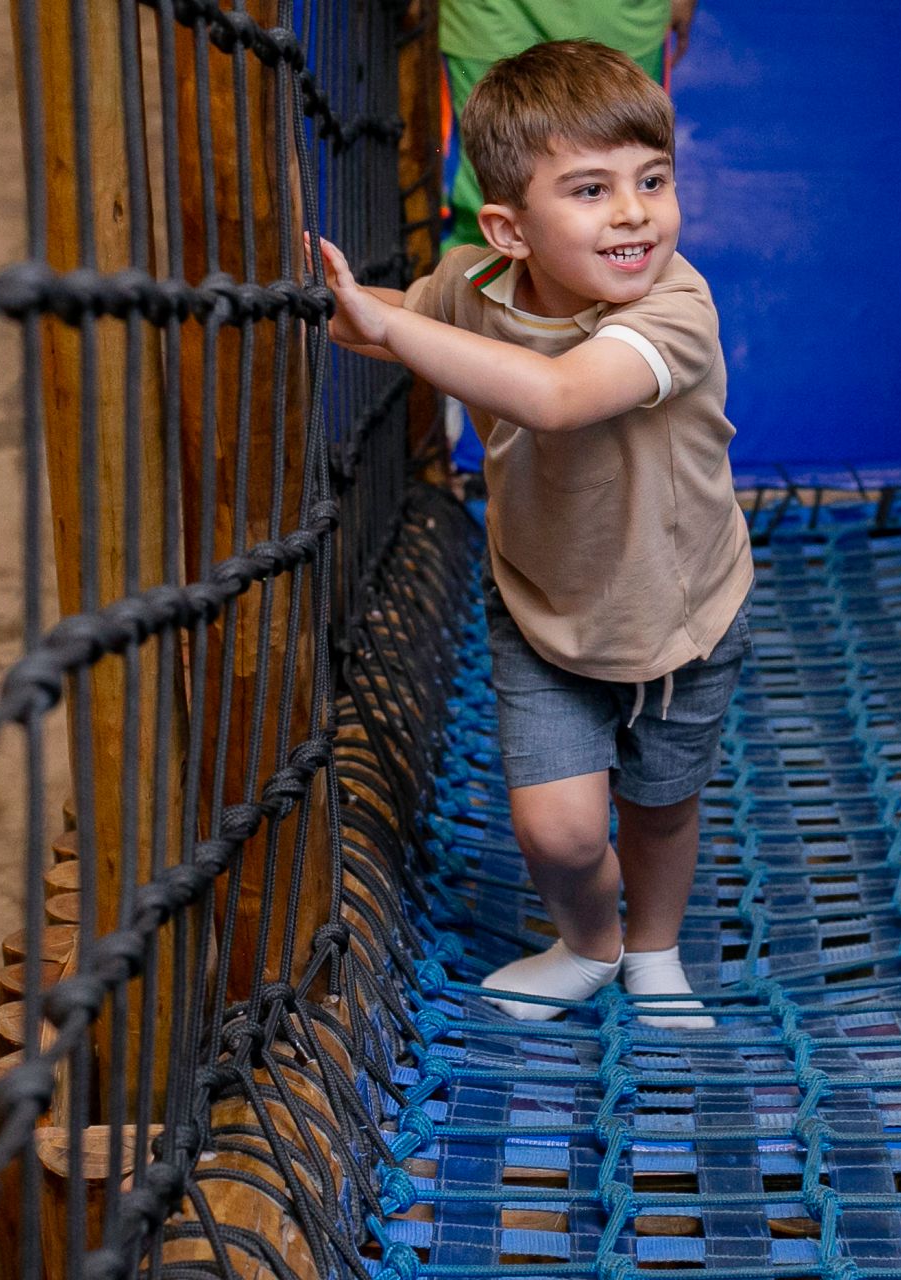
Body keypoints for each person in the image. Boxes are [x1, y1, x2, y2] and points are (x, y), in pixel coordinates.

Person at [308, 39, 750, 1029]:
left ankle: (655, 949)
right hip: (543, 605)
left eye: (653, 180)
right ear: (508, 230)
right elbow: (394, 316)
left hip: (681, 616)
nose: (635, 211)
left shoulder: (675, 308)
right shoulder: (472, 285)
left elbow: (555, 397)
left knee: (660, 806)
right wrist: (338, 305)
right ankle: (591, 944)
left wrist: (391, 335)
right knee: (557, 831)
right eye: (590, 190)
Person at [441, 0, 697, 250]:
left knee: (627, 160)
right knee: (486, 196)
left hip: (619, 14)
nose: (633, 214)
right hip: (491, 12)